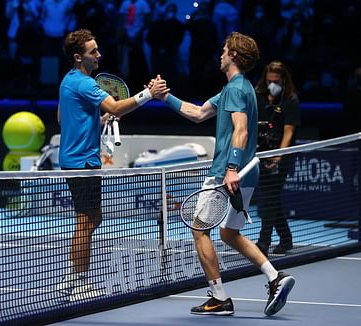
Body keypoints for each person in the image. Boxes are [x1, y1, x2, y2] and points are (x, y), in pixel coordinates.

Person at [156, 32, 295, 316]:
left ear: (233, 55)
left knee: (199, 229)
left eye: (224, 50)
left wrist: (230, 169)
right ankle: (275, 277)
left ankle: (219, 297)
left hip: (226, 173)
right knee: (229, 233)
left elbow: (241, 130)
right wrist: (164, 96)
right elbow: (196, 113)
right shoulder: (238, 89)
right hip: (247, 172)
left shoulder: (235, 90)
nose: (220, 54)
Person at [56, 29, 168, 302]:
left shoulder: (69, 82)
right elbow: (117, 107)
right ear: (78, 57)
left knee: (94, 217)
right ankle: (78, 281)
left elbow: (62, 118)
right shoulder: (84, 83)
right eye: (93, 51)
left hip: (82, 160)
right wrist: (149, 94)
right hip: (80, 163)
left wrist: (97, 121)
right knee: (85, 221)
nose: (99, 55)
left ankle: (72, 276)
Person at [255, 60, 301, 256]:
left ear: (283, 79)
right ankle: (286, 239)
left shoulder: (291, 100)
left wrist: (279, 155)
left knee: (269, 198)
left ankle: (263, 242)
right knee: (271, 198)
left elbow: (289, 132)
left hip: (282, 156)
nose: (272, 82)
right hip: (262, 154)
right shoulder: (260, 96)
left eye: (276, 80)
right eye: (269, 79)